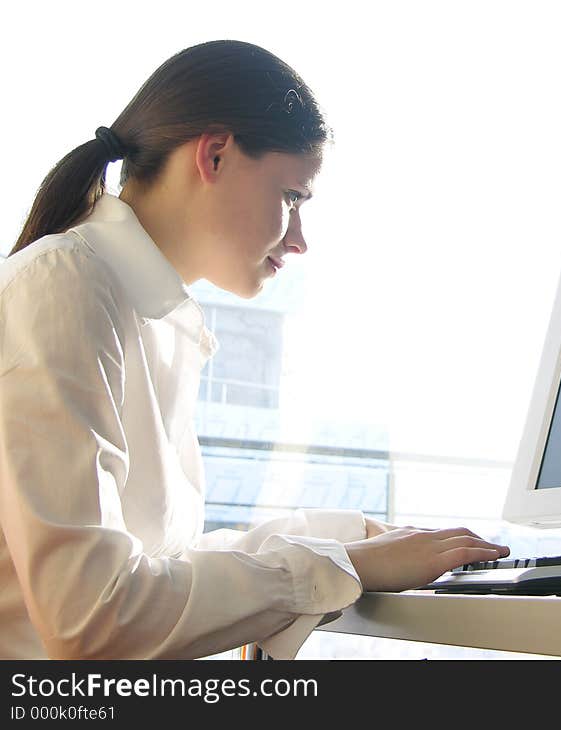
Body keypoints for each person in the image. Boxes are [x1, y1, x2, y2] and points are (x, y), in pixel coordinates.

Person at [0, 39, 510, 660]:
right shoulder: (66, 286)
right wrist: (343, 563)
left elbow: (163, 568)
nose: (299, 240)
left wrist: (349, 539)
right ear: (214, 155)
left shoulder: (144, 310)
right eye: (293, 196)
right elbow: (92, 617)